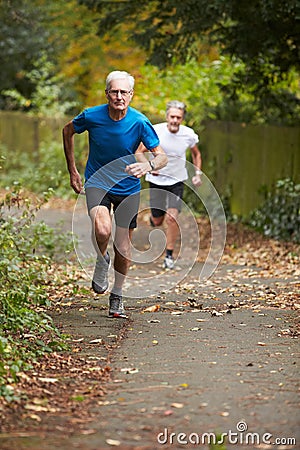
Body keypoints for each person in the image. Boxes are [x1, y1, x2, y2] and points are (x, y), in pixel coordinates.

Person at [62, 70, 167, 318]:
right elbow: (67, 131)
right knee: (102, 230)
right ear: (107, 93)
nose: (119, 96)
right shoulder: (92, 116)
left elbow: (161, 156)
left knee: (123, 246)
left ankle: (117, 295)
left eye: (124, 92)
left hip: (128, 188)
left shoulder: (139, 122)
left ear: (131, 95)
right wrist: (73, 171)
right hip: (98, 182)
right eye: (114, 91)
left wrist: (148, 165)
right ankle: (101, 258)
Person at [140, 100, 202, 269]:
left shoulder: (188, 134)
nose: (175, 120)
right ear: (167, 116)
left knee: (172, 218)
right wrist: (149, 167)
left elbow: (196, 155)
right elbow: (140, 151)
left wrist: (197, 173)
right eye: (172, 116)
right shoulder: (156, 131)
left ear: (182, 118)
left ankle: (169, 256)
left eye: (178, 117)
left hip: (177, 181)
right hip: (156, 181)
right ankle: (154, 221)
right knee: (159, 220)